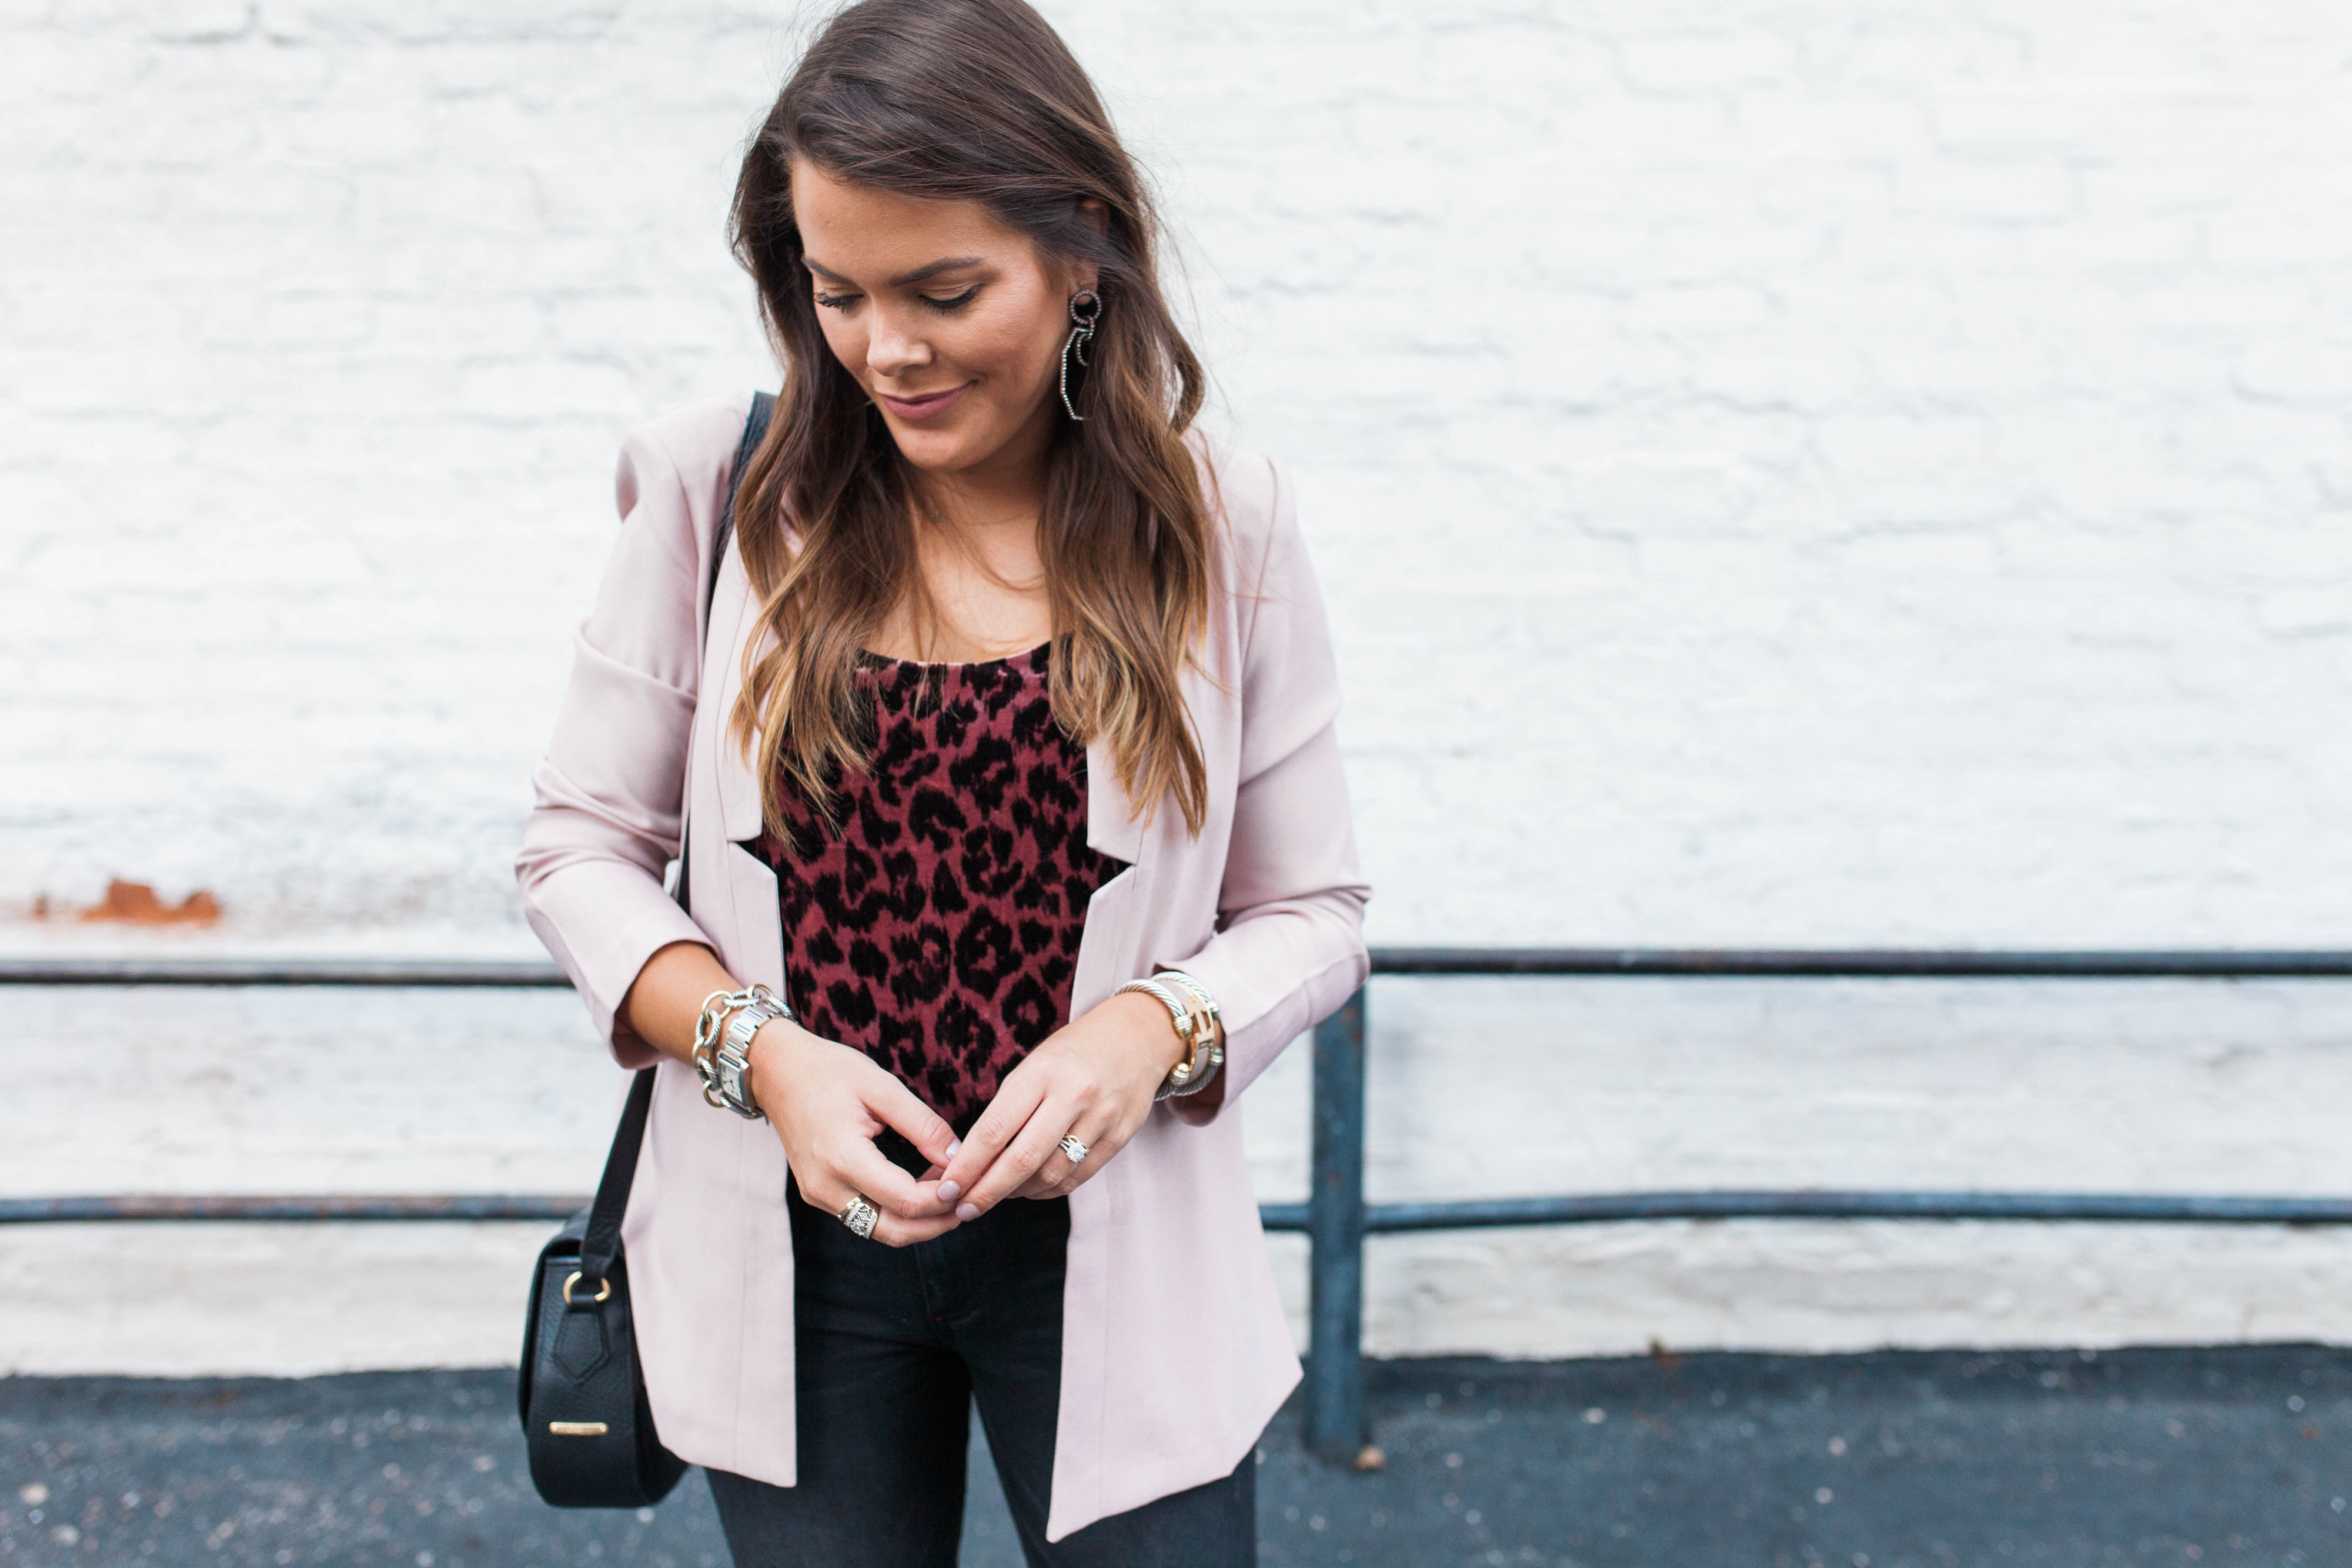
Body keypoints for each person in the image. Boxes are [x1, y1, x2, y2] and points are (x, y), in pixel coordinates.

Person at [515, 1, 1368, 1561]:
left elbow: (1312, 909)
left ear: (1084, 245)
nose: (885, 349)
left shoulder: (1223, 522)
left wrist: (1156, 1023)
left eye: (944, 289)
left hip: (1118, 1254)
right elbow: (578, 848)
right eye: (836, 292)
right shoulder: (718, 486)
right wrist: (756, 1052)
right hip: (788, 1256)